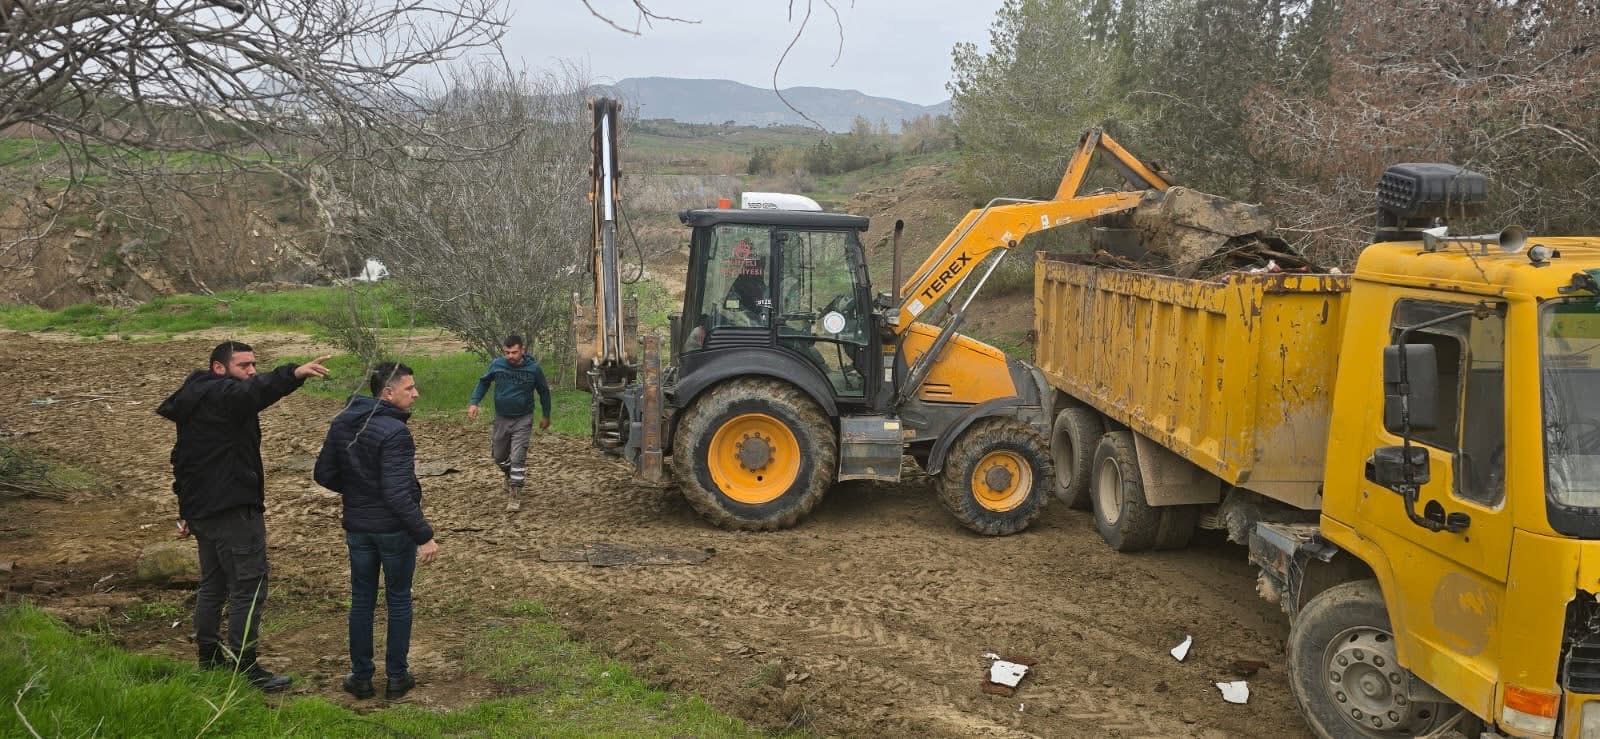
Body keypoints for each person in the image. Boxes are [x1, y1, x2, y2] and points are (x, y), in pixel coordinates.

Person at [158, 341, 331, 692]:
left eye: (254, 364)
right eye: (243, 366)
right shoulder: (223, 395)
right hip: (233, 509)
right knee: (249, 588)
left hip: (205, 510)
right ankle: (244, 665)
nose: (251, 371)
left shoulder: (198, 397)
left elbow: (183, 460)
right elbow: (254, 393)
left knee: (214, 585)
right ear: (219, 368)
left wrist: (187, 511)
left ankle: (209, 658)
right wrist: (293, 373)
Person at [314, 362, 440, 701]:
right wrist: (424, 535)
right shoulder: (395, 432)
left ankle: (361, 677)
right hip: (392, 531)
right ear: (388, 393)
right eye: (409, 388)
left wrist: (359, 491)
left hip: (358, 527)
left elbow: (324, 474)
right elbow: (397, 493)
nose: (416, 394)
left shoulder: (343, 423)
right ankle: (397, 677)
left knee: (362, 600)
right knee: (398, 599)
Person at [467, 335, 551, 511]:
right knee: (499, 456)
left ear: (522, 350)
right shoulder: (497, 365)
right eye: (507, 352)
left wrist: (546, 415)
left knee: (518, 456)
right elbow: (484, 383)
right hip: (502, 418)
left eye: (514, 352)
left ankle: (515, 493)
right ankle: (509, 474)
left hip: (523, 418)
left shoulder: (533, 369)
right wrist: (475, 402)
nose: (510, 356)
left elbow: (544, 392)